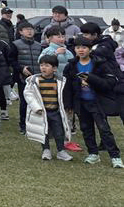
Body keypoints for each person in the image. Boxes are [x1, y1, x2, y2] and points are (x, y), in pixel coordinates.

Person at [62, 36, 123, 168]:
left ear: (90, 49)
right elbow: (67, 87)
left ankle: (115, 156)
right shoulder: (71, 65)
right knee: (86, 129)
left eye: (84, 47)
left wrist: (91, 78)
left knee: (104, 129)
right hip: (81, 102)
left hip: (98, 102)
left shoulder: (100, 63)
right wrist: (68, 104)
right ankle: (93, 154)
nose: (81, 50)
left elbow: (110, 82)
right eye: (78, 48)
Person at [23, 55, 73, 161]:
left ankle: (61, 151)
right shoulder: (34, 80)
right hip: (42, 112)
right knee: (43, 131)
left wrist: (67, 107)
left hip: (56, 111)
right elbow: (28, 94)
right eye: (41, 65)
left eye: (47, 65)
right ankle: (46, 150)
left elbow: (64, 95)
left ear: (54, 68)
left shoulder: (61, 81)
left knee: (59, 132)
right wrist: (36, 107)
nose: (43, 68)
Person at [10, 21, 43, 136]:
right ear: (20, 32)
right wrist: (21, 69)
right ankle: (23, 125)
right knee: (24, 102)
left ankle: (37, 124)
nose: (29, 31)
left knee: (38, 101)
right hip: (22, 78)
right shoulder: (15, 44)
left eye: (31, 29)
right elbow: (11, 60)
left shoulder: (39, 45)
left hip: (38, 77)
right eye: (26, 29)